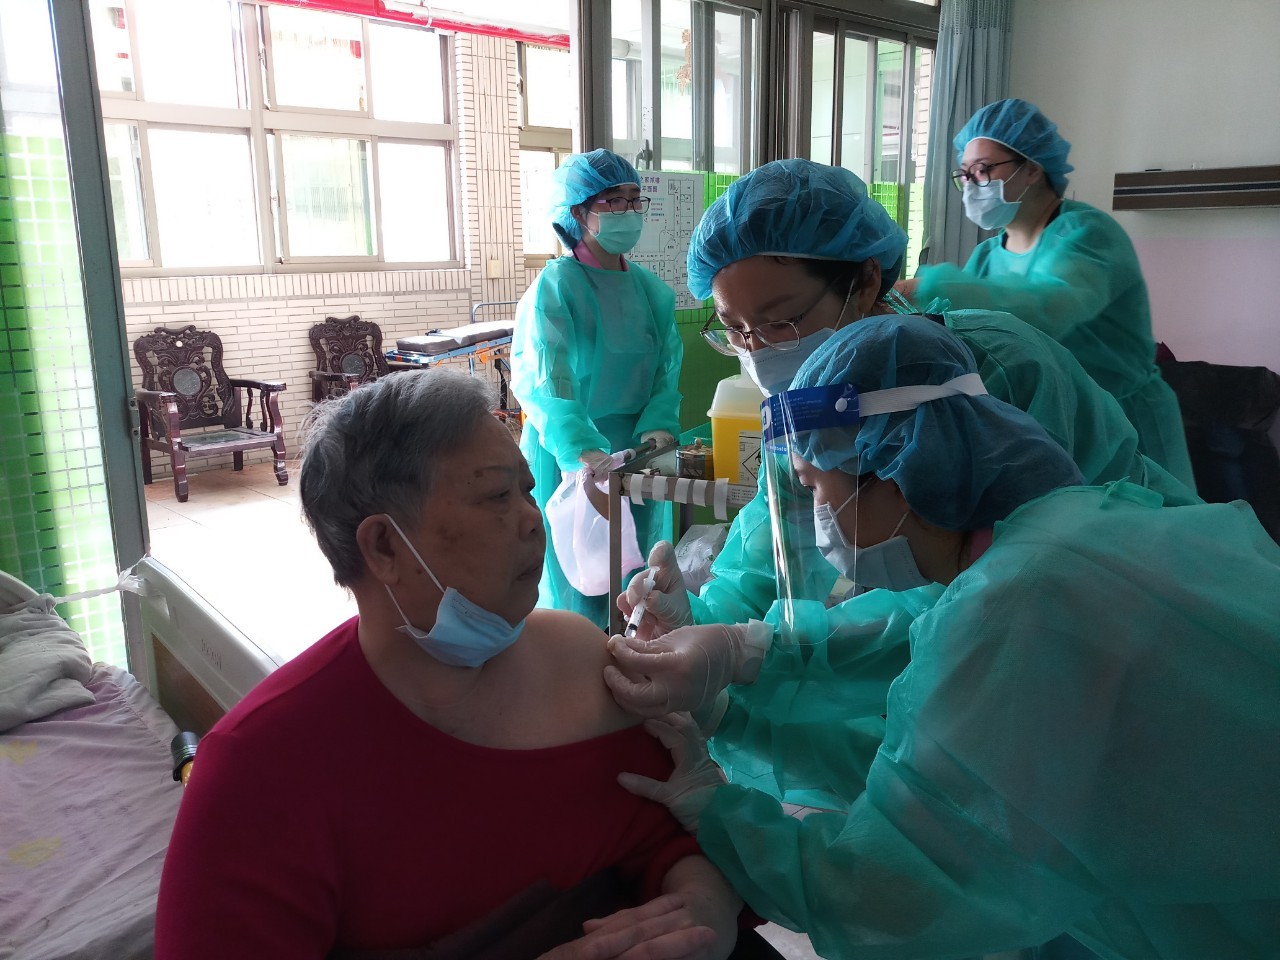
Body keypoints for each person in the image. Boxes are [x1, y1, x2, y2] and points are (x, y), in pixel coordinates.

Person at [619, 315, 1280, 960]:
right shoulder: (1072, 536)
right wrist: (732, 702)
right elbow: (943, 775)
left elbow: (891, 888)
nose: (818, 519)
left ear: (891, 472)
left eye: (817, 488)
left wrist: (716, 810)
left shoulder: (1021, 607)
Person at [605, 159, 1198, 812]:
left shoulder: (986, 376)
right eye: (736, 330)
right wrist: (699, 620)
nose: (758, 351)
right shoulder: (808, 404)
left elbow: (985, 605)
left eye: (780, 322)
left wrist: (748, 654)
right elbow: (773, 553)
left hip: (1113, 649)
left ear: (864, 281)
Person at [154, 369, 743, 960]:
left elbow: (666, 838)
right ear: (384, 546)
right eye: (496, 497)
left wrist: (704, 905)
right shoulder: (263, 767)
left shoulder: (578, 656)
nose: (532, 519)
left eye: (527, 491)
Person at [898, 98, 1195, 490]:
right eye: (965, 174)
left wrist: (926, 288)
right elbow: (975, 331)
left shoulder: (1088, 234)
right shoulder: (987, 256)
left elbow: (1046, 307)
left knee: (1147, 522)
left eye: (983, 169)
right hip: (1054, 420)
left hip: (1126, 423)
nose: (971, 184)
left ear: (1032, 168)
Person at [511, 148, 683, 629]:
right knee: (580, 572)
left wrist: (658, 427)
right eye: (614, 201)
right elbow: (548, 377)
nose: (628, 211)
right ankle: (577, 659)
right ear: (578, 213)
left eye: (634, 200)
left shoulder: (651, 291)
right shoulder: (557, 287)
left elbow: (666, 370)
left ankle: (634, 655)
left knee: (636, 573)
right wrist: (580, 450)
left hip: (637, 447)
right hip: (572, 452)